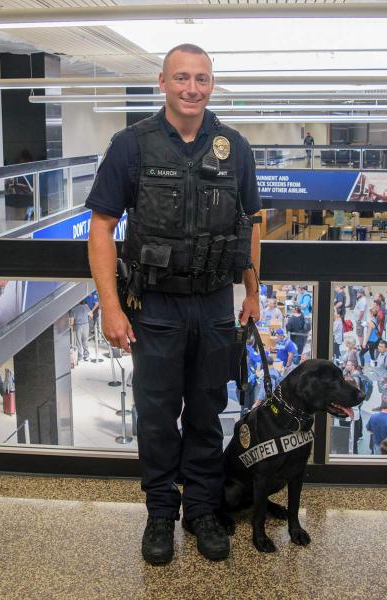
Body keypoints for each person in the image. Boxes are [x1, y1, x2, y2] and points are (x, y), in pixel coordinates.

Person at [86, 44, 261, 565]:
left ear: (213, 84)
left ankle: (202, 511)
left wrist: (252, 293)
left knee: (207, 412)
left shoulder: (235, 146)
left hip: (213, 306)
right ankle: (160, 513)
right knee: (158, 417)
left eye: (202, 79)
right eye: (181, 77)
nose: (192, 88)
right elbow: (101, 226)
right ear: (162, 82)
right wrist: (111, 307)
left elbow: (251, 224)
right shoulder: (131, 145)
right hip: (155, 307)